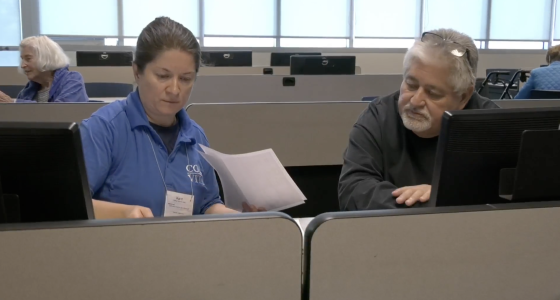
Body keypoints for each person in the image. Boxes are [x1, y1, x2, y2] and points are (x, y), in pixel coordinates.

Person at [81, 17, 262, 219]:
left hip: (184, 247)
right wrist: (123, 213)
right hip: (121, 246)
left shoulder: (195, 136)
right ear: (137, 72)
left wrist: (242, 218)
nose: (175, 90)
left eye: (185, 79)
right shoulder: (105, 129)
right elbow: (69, 203)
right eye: (163, 76)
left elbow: (208, 205)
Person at [338, 29, 499, 211]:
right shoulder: (379, 117)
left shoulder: (490, 123)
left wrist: (443, 194)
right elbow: (353, 191)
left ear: (463, 97)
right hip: (391, 233)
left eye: (433, 93)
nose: (415, 101)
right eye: (411, 85)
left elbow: (506, 196)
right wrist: (433, 201)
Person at [0, 36, 88, 103]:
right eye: (22, 59)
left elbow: (61, 113)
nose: (22, 65)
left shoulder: (72, 79)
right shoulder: (29, 89)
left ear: (46, 58)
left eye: (28, 59)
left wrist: (14, 104)